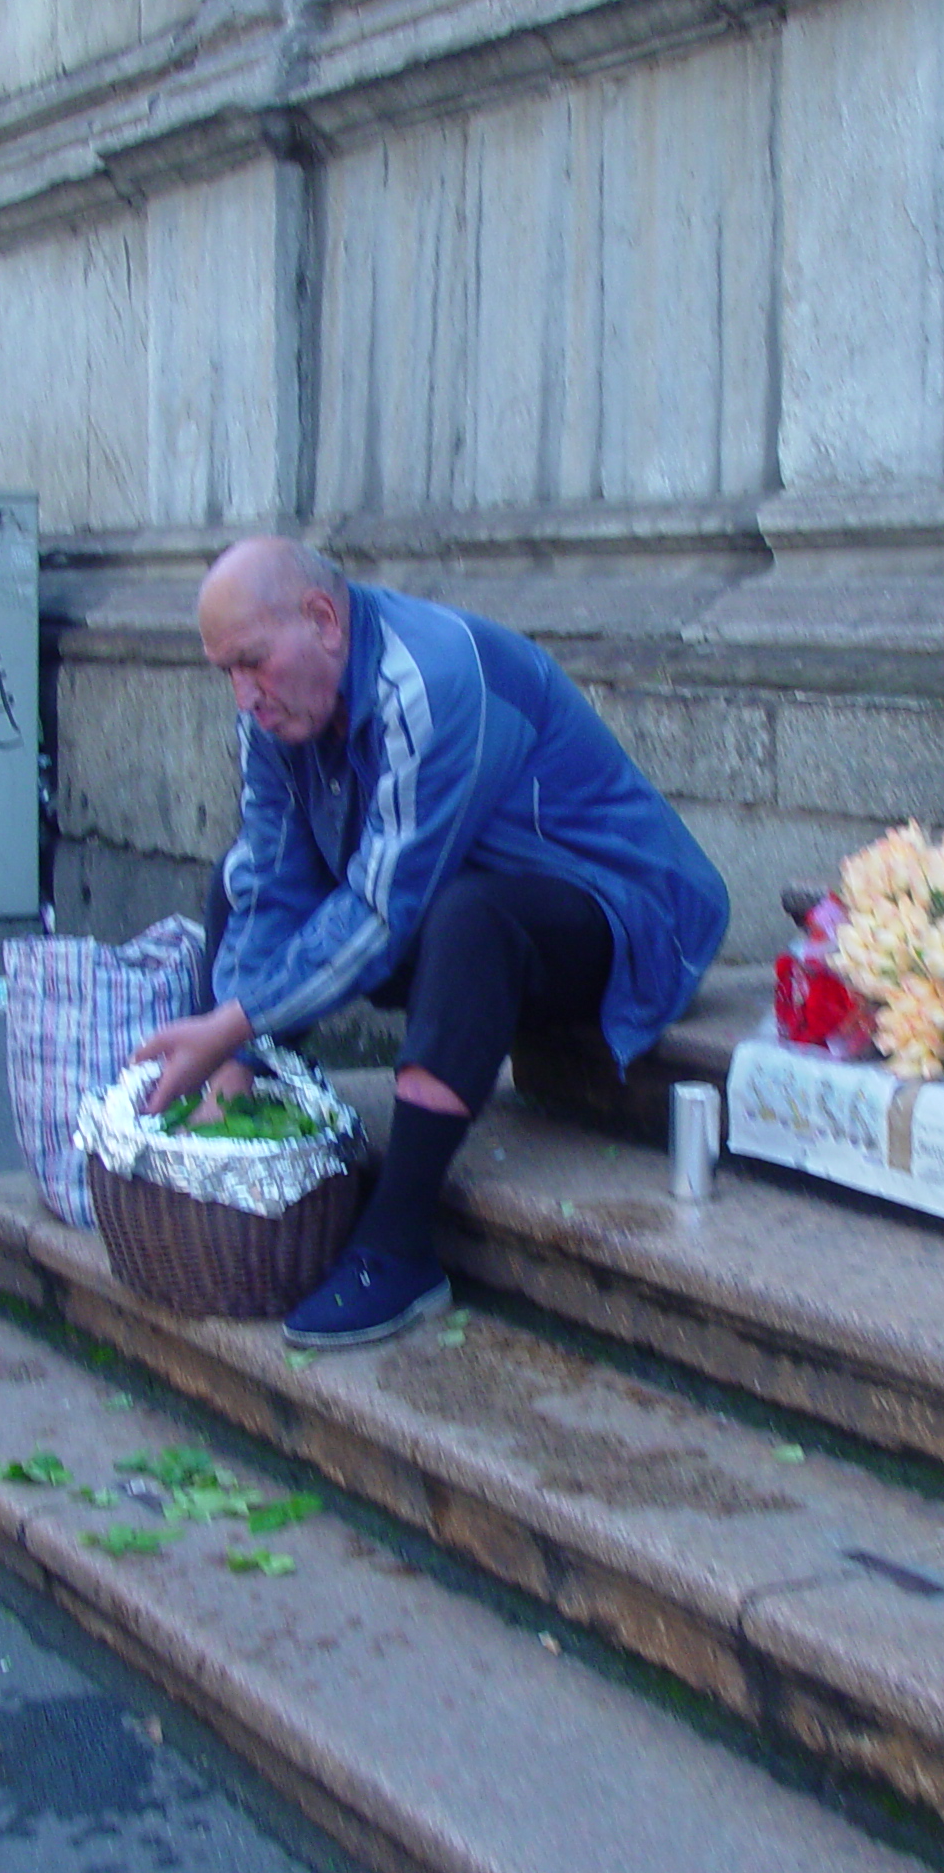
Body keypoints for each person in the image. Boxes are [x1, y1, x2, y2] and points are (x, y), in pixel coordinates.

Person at [134, 539, 730, 1346]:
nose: (244, 697)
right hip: (457, 896)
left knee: (470, 919)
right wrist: (230, 1071)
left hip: (623, 917)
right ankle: (264, 1141)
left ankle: (399, 1246)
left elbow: (386, 910)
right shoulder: (279, 708)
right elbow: (272, 876)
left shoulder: (431, 682)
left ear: (322, 621)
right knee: (236, 882)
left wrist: (233, 1023)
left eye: (252, 663)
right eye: (225, 673)